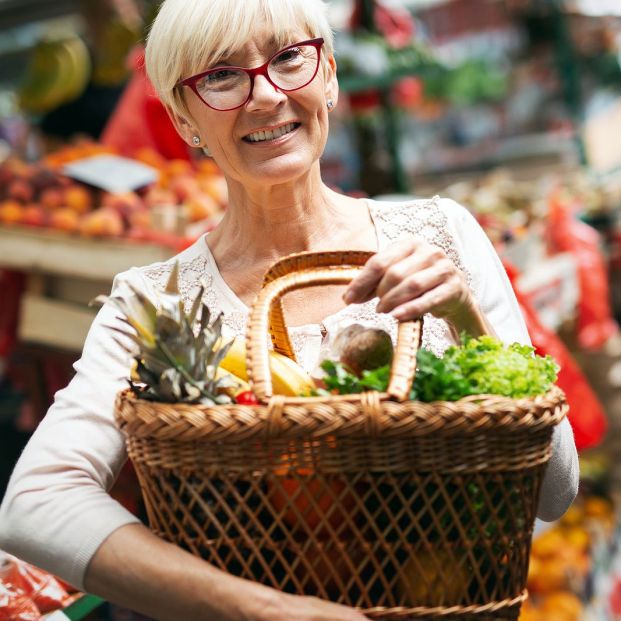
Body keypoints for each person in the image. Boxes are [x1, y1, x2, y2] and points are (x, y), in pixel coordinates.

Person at [0, 0, 578, 619]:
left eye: (289, 58)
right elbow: (34, 502)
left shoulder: (441, 234)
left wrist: (468, 321)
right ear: (182, 117)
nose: (267, 95)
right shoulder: (153, 302)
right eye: (221, 76)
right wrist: (267, 610)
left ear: (327, 74)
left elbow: (555, 492)